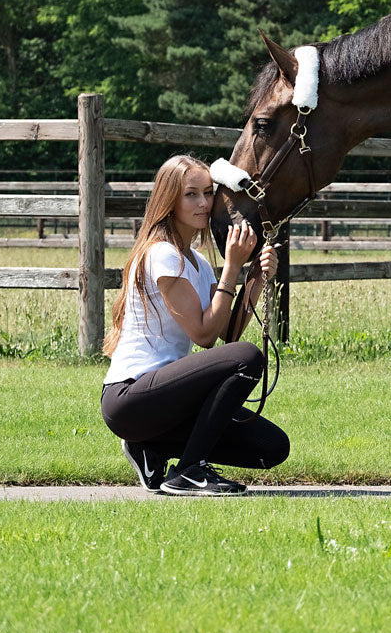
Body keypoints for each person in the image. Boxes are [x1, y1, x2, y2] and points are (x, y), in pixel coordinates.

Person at [100, 154, 288, 496]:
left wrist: (257, 277)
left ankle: (151, 447)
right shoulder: (162, 254)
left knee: (271, 447)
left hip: (168, 401)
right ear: (169, 200)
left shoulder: (198, 263)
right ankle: (190, 470)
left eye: (207, 193)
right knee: (247, 356)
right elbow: (204, 336)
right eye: (191, 194)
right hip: (130, 397)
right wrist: (231, 267)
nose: (203, 203)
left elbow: (227, 333)